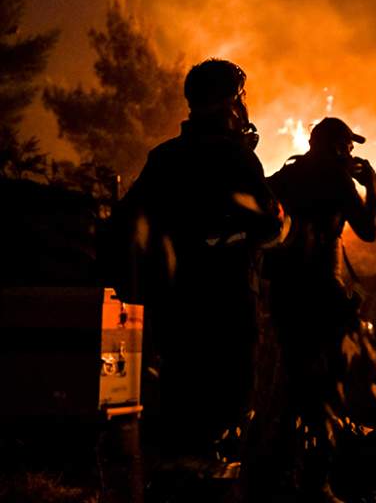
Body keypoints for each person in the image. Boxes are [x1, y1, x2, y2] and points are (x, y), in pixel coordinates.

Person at [112, 58, 285, 500]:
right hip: (228, 312)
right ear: (233, 102)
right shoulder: (234, 156)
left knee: (180, 421)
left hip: (174, 315)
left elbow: (126, 225)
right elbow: (270, 228)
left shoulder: (164, 157)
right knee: (224, 423)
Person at [263, 117, 376, 503]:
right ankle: (316, 483)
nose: (352, 154)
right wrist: (372, 187)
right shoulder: (337, 179)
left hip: (284, 295)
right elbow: (368, 230)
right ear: (336, 147)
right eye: (349, 147)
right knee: (329, 390)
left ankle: (277, 475)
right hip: (324, 296)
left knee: (296, 382)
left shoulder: (284, 176)